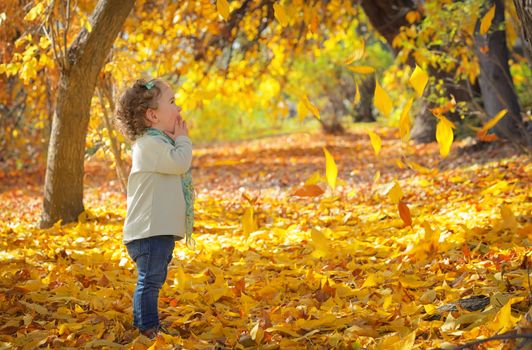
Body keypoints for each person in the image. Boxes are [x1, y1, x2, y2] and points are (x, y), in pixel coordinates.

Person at [114, 78, 194, 339]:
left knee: (153, 279)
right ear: (152, 115)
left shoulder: (157, 143)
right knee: (149, 281)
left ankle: (145, 324)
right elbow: (180, 162)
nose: (178, 108)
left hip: (156, 230)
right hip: (148, 232)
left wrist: (174, 139)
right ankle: (147, 327)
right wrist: (183, 139)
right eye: (172, 102)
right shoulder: (149, 145)